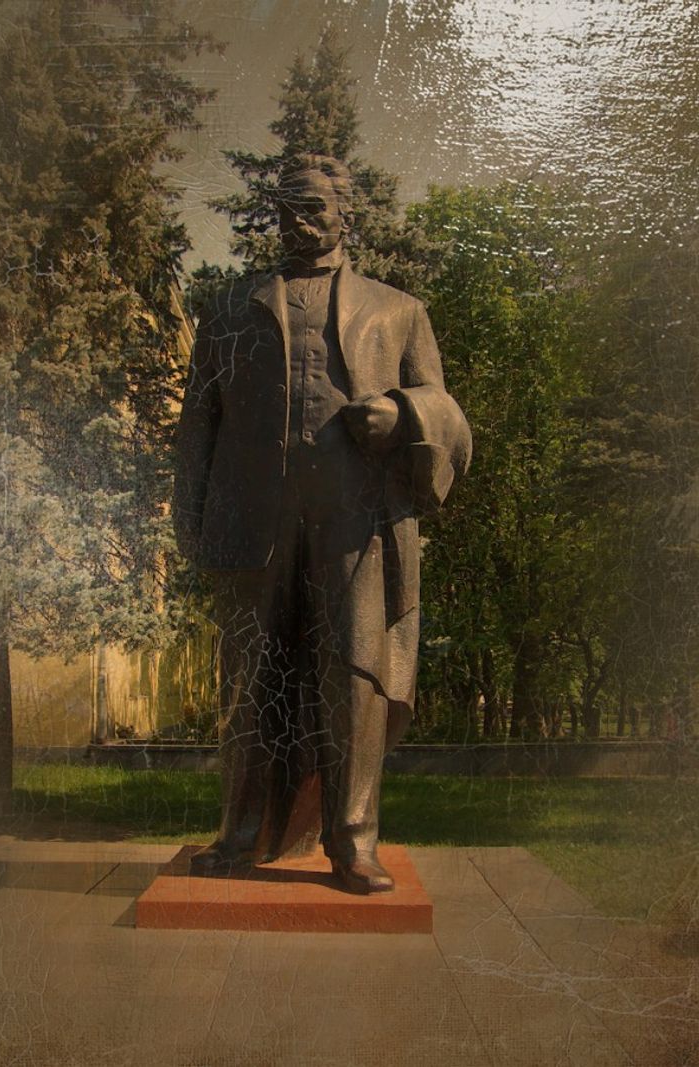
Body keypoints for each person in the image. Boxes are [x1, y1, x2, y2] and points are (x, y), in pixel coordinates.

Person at [173, 154, 471, 893]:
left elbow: (449, 413)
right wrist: (190, 521)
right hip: (252, 523)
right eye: (287, 208)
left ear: (345, 214)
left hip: (354, 524)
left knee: (353, 680)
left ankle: (353, 840)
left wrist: (403, 412)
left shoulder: (397, 310)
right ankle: (239, 835)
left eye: (312, 207)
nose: (298, 221)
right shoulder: (230, 309)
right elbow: (196, 427)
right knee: (248, 678)